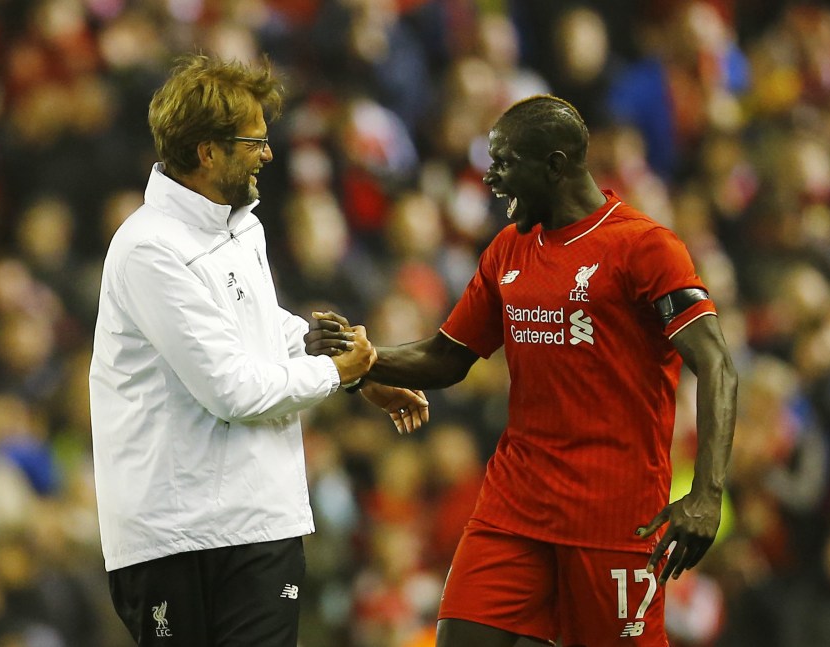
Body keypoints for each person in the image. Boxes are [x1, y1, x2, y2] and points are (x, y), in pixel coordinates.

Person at [306, 94, 738, 647]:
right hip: (515, 505)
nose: (491, 178)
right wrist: (362, 359)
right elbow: (447, 356)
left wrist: (707, 493)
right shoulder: (508, 251)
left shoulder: (645, 247)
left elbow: (718, 365)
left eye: (505, 163)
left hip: (614, 514)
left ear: (556, 165)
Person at [88, 54, 428, 647]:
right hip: (177, 537)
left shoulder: (242, 227)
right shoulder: (148, 249)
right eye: (255, 141)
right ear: (207, 153)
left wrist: (354, 372)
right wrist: (331, 372)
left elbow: (258, 327)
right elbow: (231, 390)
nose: (268, 154)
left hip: (263, 521)